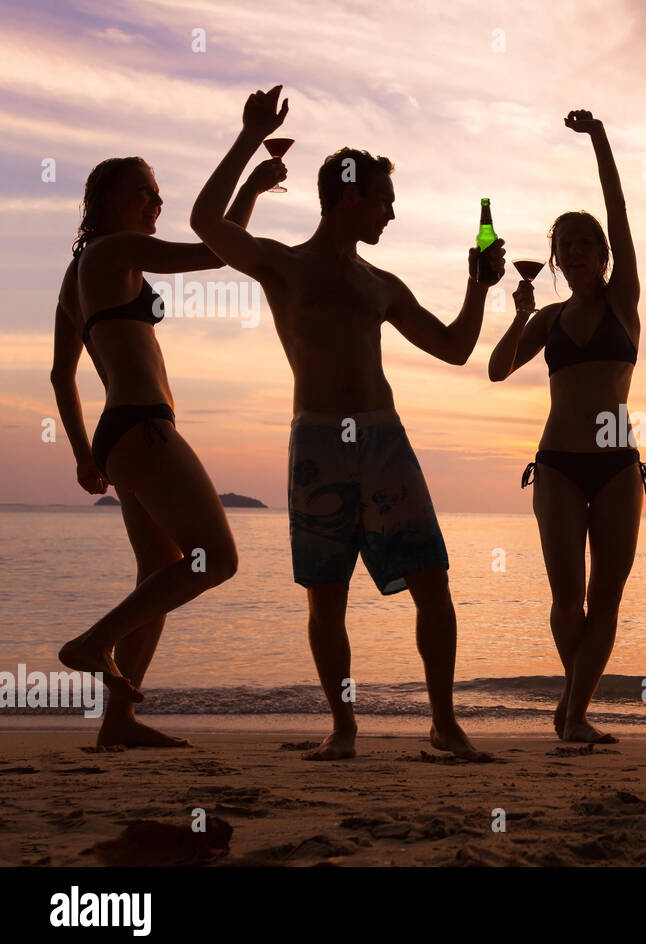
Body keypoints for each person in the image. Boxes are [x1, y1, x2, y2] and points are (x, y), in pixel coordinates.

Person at [190, 86, 503, 761]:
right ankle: (344, 727)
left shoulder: (381, 283)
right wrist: (249, 136)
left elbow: (453, 347)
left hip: (384, 440)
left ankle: (444, 723)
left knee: (433, 584)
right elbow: (206, 221)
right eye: (385, 200)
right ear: (351, 193)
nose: (392, 213)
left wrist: (479, 285)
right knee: (325, 596)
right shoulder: (285, 264)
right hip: (319, 444)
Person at [52, 153, 282, 745]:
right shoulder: (113, 250)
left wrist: (84, 454)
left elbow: (61, 375)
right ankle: (91, 643)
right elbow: (213, 252)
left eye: (159, 193)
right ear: (106, 202)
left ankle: (119, 723)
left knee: (158, 572)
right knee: (217, 559)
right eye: (144, 192)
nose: (156, 202)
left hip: (120, 435)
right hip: (144, 427)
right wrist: (252, 183)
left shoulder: (77, 271)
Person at [488, 110, 646, 744]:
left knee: (606, 600)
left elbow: (621, 215)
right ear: (555, 258)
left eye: (586, 243)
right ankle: (577, 711)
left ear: (603, 255)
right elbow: (500, 370)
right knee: (567, 600)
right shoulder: (550, 318)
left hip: (616, 464)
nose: (576, 252)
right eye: (566, 245)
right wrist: (517, 315)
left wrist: (601, 140)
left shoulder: (623, 302)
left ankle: (570, 709)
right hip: (555, 462)